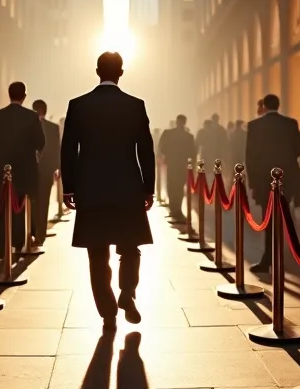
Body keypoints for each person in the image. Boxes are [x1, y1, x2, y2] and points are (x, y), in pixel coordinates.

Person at [60, 52, 156, 329]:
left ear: (97, 71)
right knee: (130, 247)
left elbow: (68, 149)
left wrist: (69, 187)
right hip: (127, 186)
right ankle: (127, 293)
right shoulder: (135, 105)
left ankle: (107, 310)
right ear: (121, 72)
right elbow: (145, 150)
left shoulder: (78, 105)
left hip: (91, 187)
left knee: (97, 252)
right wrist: (148, 188)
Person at [244, 94, 300, 272]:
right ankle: (280, 253)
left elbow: (250, 156)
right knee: (284, 215)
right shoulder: (291, 123)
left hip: (264, 179)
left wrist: (253, 182)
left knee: (268, 218)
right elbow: (299, 148)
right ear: (278, 105)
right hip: (288, 176)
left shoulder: (254, 126)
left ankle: (269, 256)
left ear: (264, 105)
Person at [0, 82, 46, 257]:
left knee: (3, 206)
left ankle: (3, 243)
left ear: (9, 94)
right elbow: (40, 142)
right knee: (21, 207)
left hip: (2, 168)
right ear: (24, 96)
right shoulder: (31, 116)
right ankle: (20, 240)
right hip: (25, 170)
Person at [157, 115, 196, 222]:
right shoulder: (189, 136)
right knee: (179, 186)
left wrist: (168, 155)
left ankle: (173, 208)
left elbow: (162, 147)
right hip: (182, 164)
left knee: (171, 185)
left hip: (172, 163)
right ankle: (177, 208)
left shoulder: (168, 134)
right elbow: (192, 152)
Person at [33, 99, 61, 245]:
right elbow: (57, 149)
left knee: (31, 202)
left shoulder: (27, 127)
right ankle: (40, 234)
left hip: (30, 170)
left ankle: (31, 231)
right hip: (47, 169)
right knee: (43, 203)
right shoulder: (53, 128)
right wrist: (57, 168)